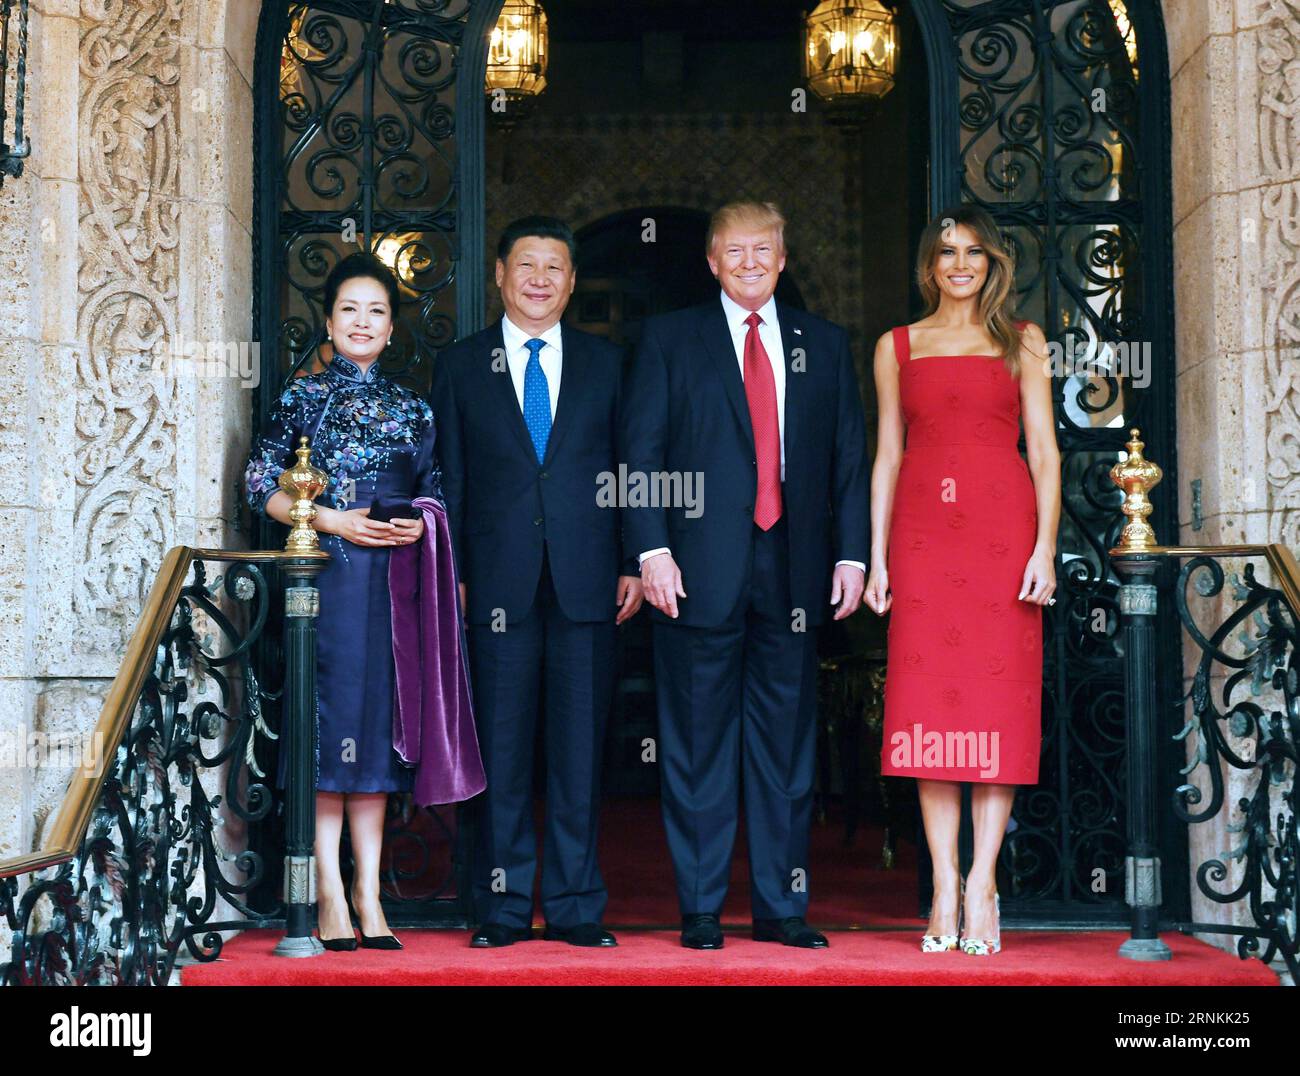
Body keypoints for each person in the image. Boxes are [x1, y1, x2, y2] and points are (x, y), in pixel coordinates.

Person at [621, 200, 870, 950]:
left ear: (784, 258)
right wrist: (651, 551)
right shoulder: (670, 339)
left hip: (796, 570)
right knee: (695, 744)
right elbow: (642, 454)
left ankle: (781, 907)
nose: (751, 262)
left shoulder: (823, 345)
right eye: (736, 252)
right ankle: (699, 908)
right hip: (694, 570)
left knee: (786, 748)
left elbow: (849, 461)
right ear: (711, 261)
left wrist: (852, 554)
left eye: (764, 250)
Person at [244, 251, 470, 952]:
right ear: (329, 319)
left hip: (395, 589)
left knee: (375, 736)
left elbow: (439, 491)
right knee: (326, 730)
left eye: (376, 311)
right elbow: (258, 481)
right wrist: (331, 519)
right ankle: (328, 892)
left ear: (393, 326)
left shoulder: (414, 407)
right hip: (326, 584)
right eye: (350, 310)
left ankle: (371, 892)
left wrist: (420, 519)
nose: (362, 322)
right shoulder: (300, 398)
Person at [430, 216, 643, 948]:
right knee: (503, 751)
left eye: (555, 267)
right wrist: (452, 571)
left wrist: (631, 561)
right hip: (495, 586)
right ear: (499, 273)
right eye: (527, 265)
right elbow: (450, 478)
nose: (541, 279)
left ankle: (579, 906)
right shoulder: (460, 366)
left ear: (573, 280)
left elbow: (629, 470)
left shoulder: (607, 363)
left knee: (580, 753)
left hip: (589, 581)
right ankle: (502, 907)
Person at [865, 205, 1061, 956]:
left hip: (1002, 544)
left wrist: (1043, 548)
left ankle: (985, 883)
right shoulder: (897, 346)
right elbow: (887, 455)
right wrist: (878, 556)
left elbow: (1045, 452)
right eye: (947, 251)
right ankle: (942, 884)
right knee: (928, 710)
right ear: (928, 264)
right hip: (921, 545)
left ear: (993, 263)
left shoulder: (1024, 342)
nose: (960, 264)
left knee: (994, 709)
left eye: (974, 252)